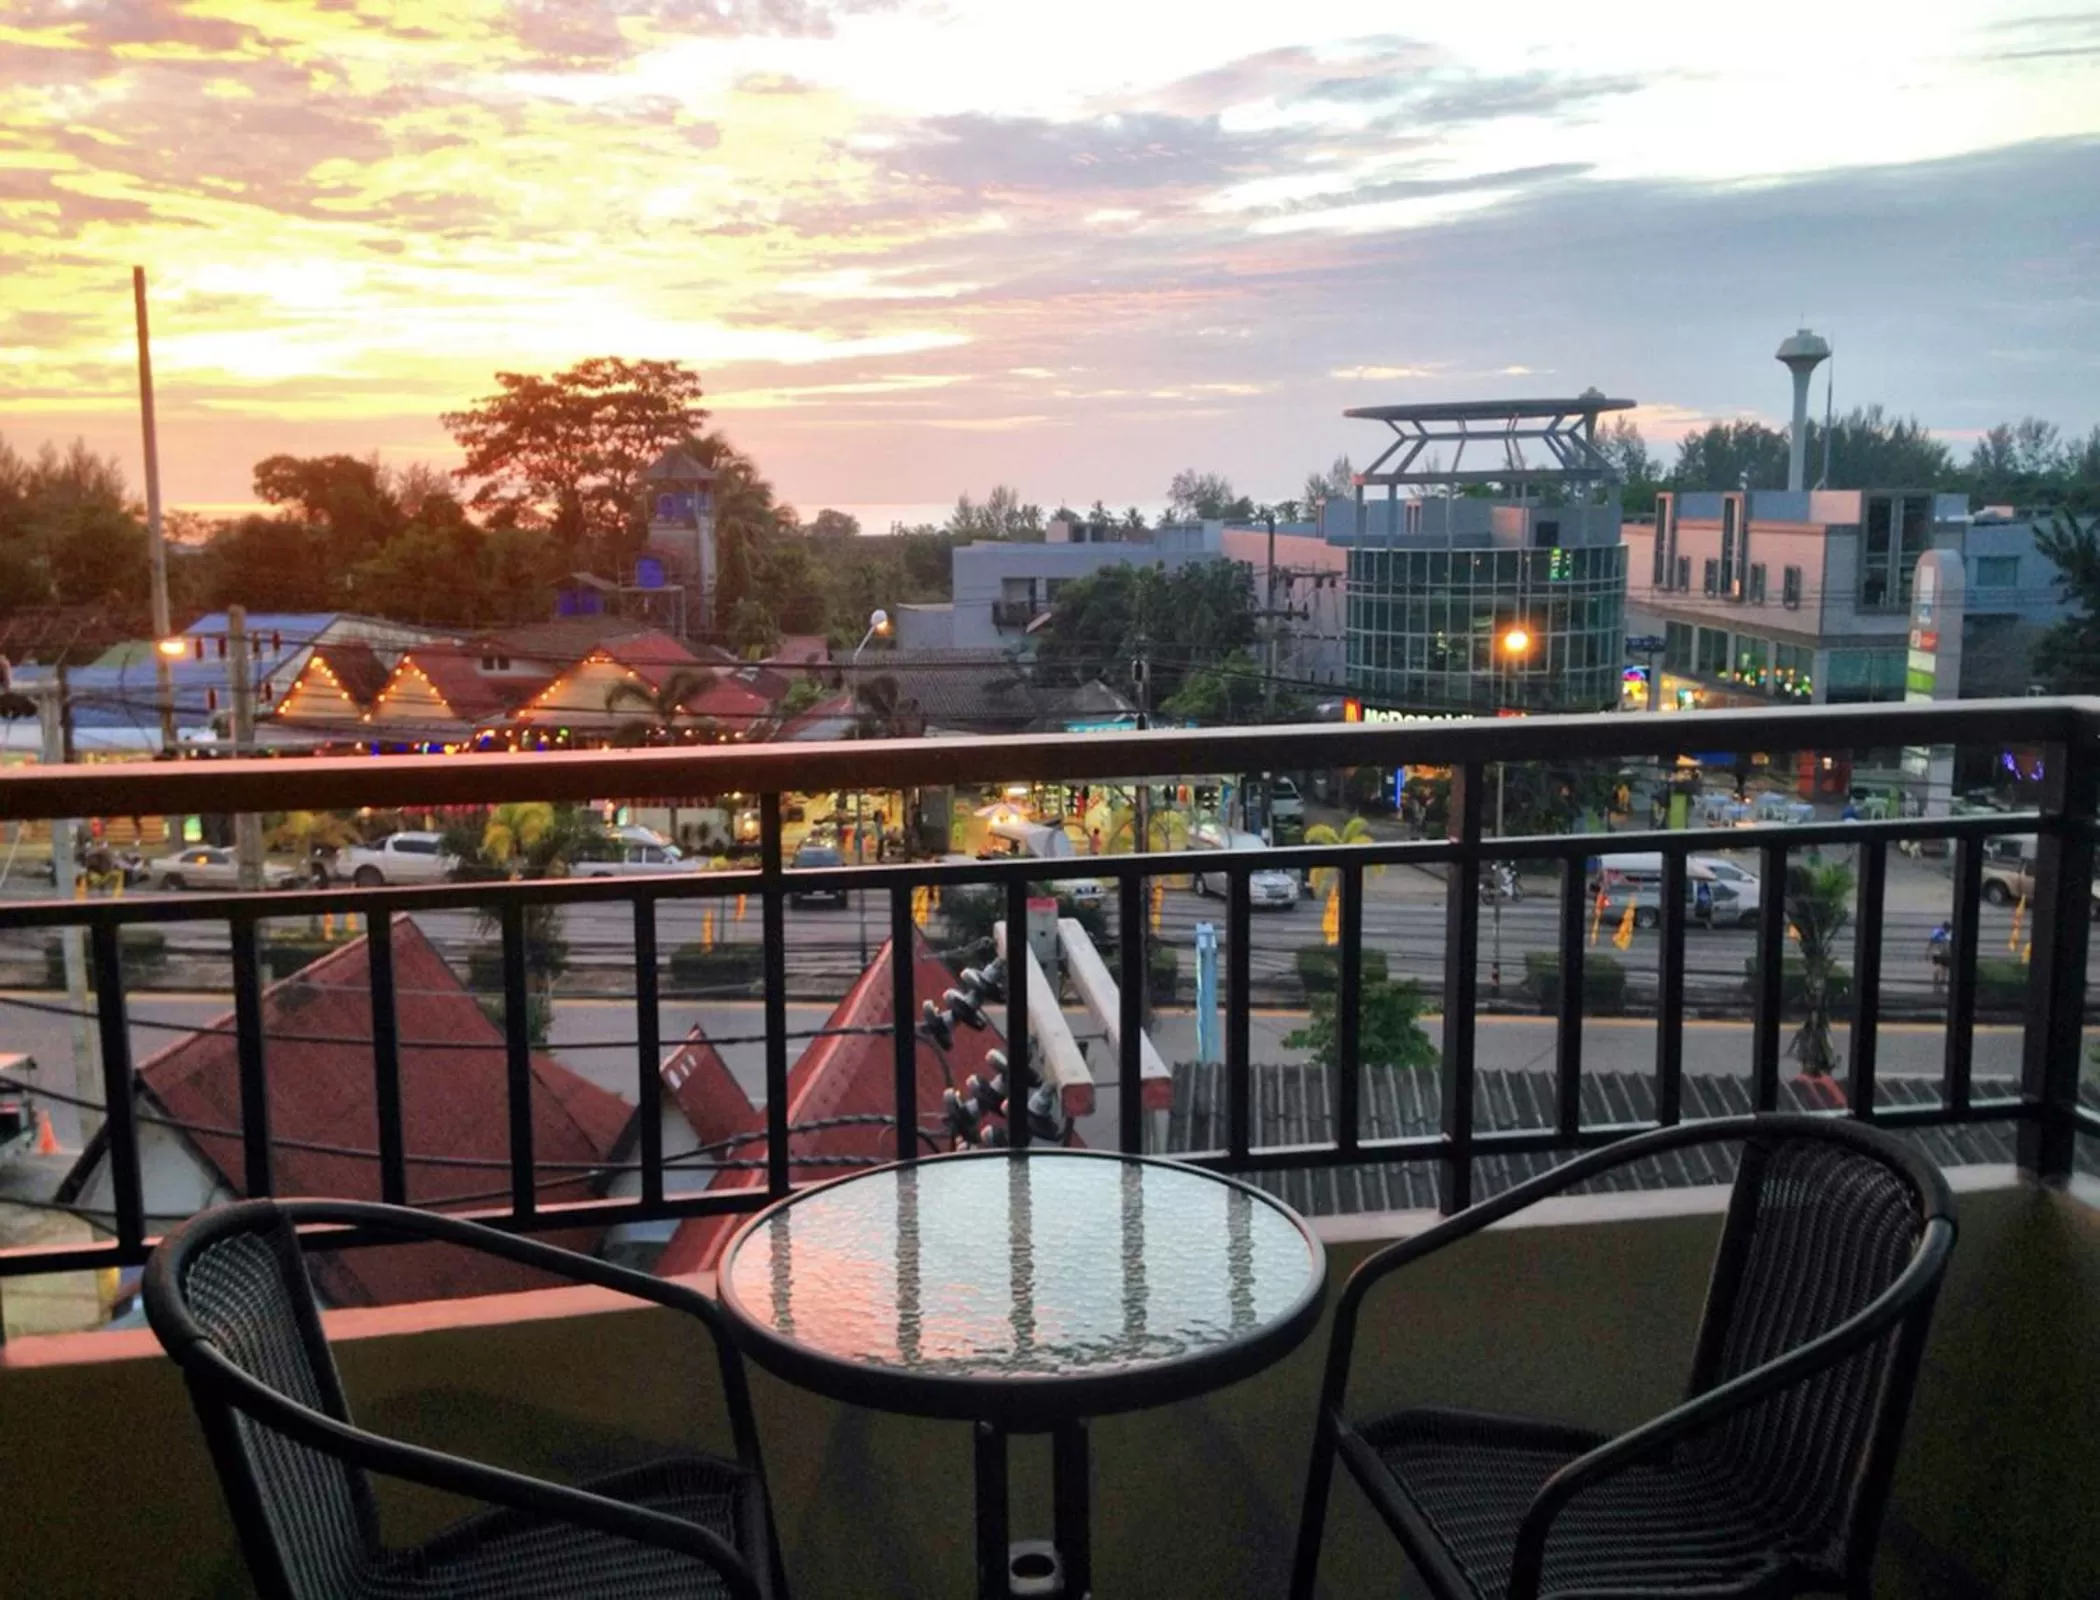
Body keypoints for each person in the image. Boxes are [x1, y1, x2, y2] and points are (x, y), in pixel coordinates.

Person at [1928, 921, 1952, 990]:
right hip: (1941, 953)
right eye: (1948, 928)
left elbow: (1931, 941)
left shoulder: (1937, 932)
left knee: (1942, 968)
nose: (1948, 930)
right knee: (1942, 968)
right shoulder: (1946, 934)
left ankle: (1939, 982)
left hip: (1942, 953)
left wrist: (1928, 950)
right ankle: (1939, 982)